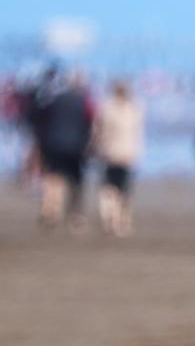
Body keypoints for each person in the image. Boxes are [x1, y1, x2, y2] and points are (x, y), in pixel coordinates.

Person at [37, 70, 95, 232]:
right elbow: (91, 123)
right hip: (76, 147)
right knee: (75, 182)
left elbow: (43, 120)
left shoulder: (55, 99)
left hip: (54, 144)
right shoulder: (85, 101)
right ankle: (75, 216)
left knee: (53, 178)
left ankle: (50, 211)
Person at [93, 80, 144, 236]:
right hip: (127, 154)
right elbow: (138, 133)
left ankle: (111, 218)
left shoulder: (106, 108)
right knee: (124, 189)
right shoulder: (134, 108)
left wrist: (95, 147)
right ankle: (122, 221)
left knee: (109, 187)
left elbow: (97, 130)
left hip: (109, 153)